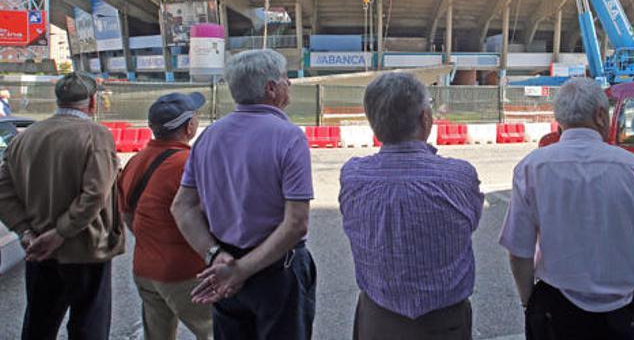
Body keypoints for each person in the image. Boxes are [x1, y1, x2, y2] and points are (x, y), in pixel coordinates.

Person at [500, 77, 634, 340]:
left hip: (556, 311)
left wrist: (528, 300)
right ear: (600, 115)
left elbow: (519, 252)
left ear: (559, 119)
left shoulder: (531, 168)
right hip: (621, 315)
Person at [171, 49, 316, 340]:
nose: (289, 84)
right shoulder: (289, 137)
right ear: (271, 88)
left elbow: (181, 208)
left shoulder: (209, 136)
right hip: (276, 270)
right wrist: (242, 270)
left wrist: (216, 257)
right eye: (285, 78)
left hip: (223, 268)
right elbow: (296, 222)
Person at [340, 73, 484, 340]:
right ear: (425, 119)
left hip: (378, 319)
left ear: (374, 124)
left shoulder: (353, 176)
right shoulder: (459, 176)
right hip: (445, 322)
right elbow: (471, 223)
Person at [0, 72, 124, 340]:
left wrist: (26, 232)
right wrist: (60, 234)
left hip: (38, 249)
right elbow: (95, 194)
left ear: (58, 100)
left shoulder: (25, 137)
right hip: (86, 249)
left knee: (39, 323)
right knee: (89, 325)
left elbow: (3, 191)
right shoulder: (96, 135)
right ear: (92, 102)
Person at [117, 92, 213, 340]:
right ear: (189, 126)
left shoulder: (135, 160)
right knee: (214, 331)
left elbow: (127, 213)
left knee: (157, 335)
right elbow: (212, 216)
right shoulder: (189, 164)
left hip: (145, 269)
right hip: (186, 272)